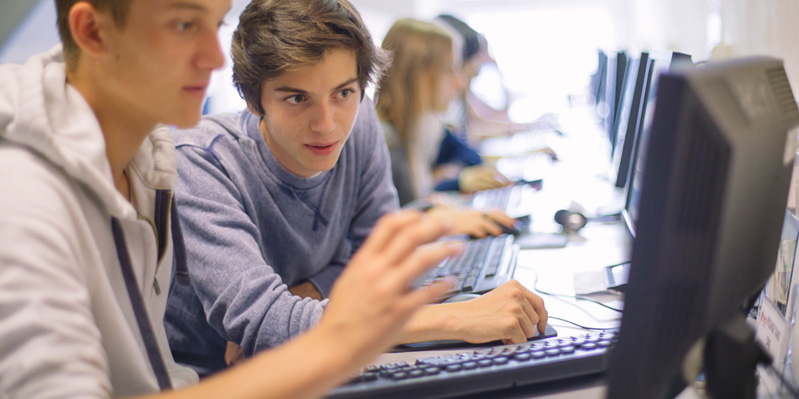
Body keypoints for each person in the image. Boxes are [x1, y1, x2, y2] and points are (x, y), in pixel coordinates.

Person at [0, 0, 461, 398]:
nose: (217, 59)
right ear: (93, 31)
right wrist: (351, 335)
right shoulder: (26, 195)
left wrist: (316, 298)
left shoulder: (146, 158)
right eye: (185, 25)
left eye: (216, 24)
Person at [163, 0, 548, 376]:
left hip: (323, 359)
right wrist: (451, 317)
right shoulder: (201, 161)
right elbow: (266, 326)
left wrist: (302, 296)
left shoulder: (360, 118)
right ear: (252, 99)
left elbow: (381, 255)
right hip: (220, 379)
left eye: (343, 93)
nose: (327, 125)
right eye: (297, 98)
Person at [375, 18, 512, 205]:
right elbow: (403, 209)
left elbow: (470, 157)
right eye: (449, 71)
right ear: (419, 77)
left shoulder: (424, 126)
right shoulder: (385, 143)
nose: (460, 82)